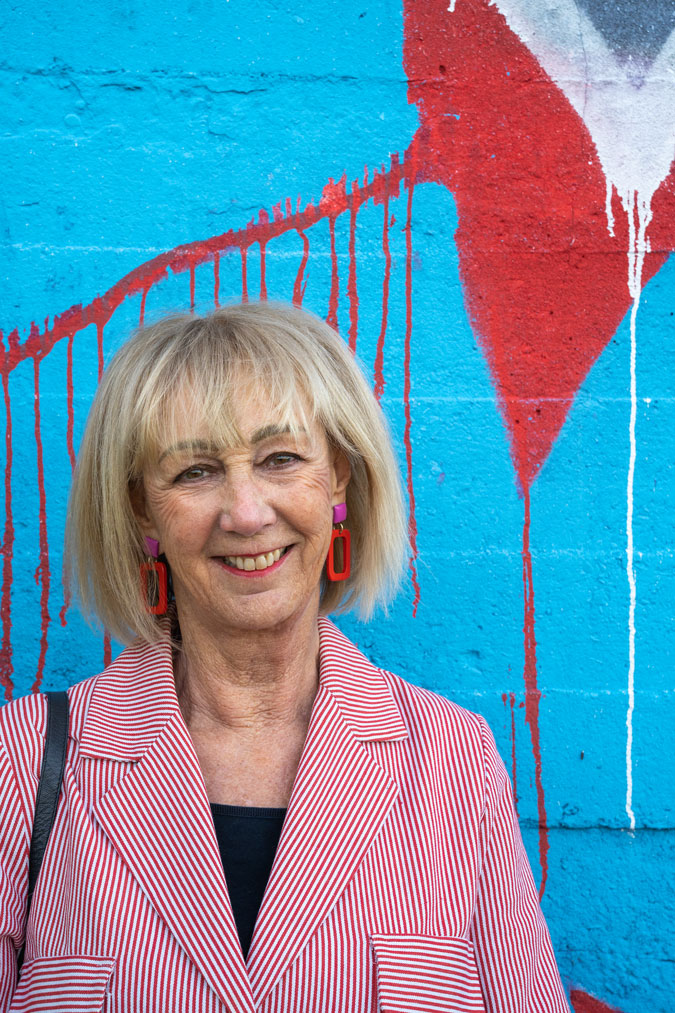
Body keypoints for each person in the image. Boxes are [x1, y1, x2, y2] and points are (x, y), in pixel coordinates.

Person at [0, 301, 569, 1012]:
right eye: (195, 471)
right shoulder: (24, 759)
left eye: (280, 458)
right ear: (143, 511)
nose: (245, 511)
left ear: (338, 479)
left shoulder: (454, 760)